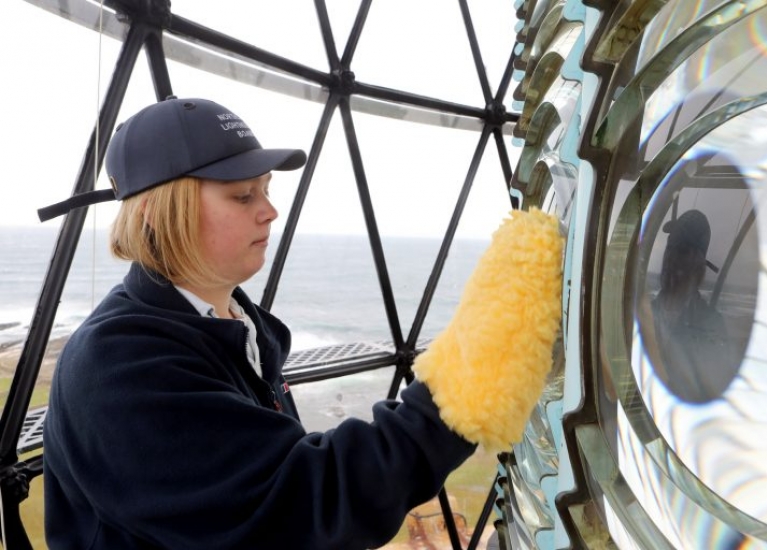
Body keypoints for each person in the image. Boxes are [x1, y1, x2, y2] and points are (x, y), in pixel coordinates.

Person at [39, 97, 563, 549]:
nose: (268, 211)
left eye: (266, 190)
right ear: (156, 211)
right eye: (242, 195)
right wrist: (468, 384)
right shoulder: (118, 368)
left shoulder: (232, 323)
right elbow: (300, 508)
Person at [649, 208, 734, 403]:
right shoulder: (643, 313)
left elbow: (712, 392)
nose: (670, 257)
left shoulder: (711, 325)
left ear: (697, 262)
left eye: (681, 250)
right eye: (669, 247)